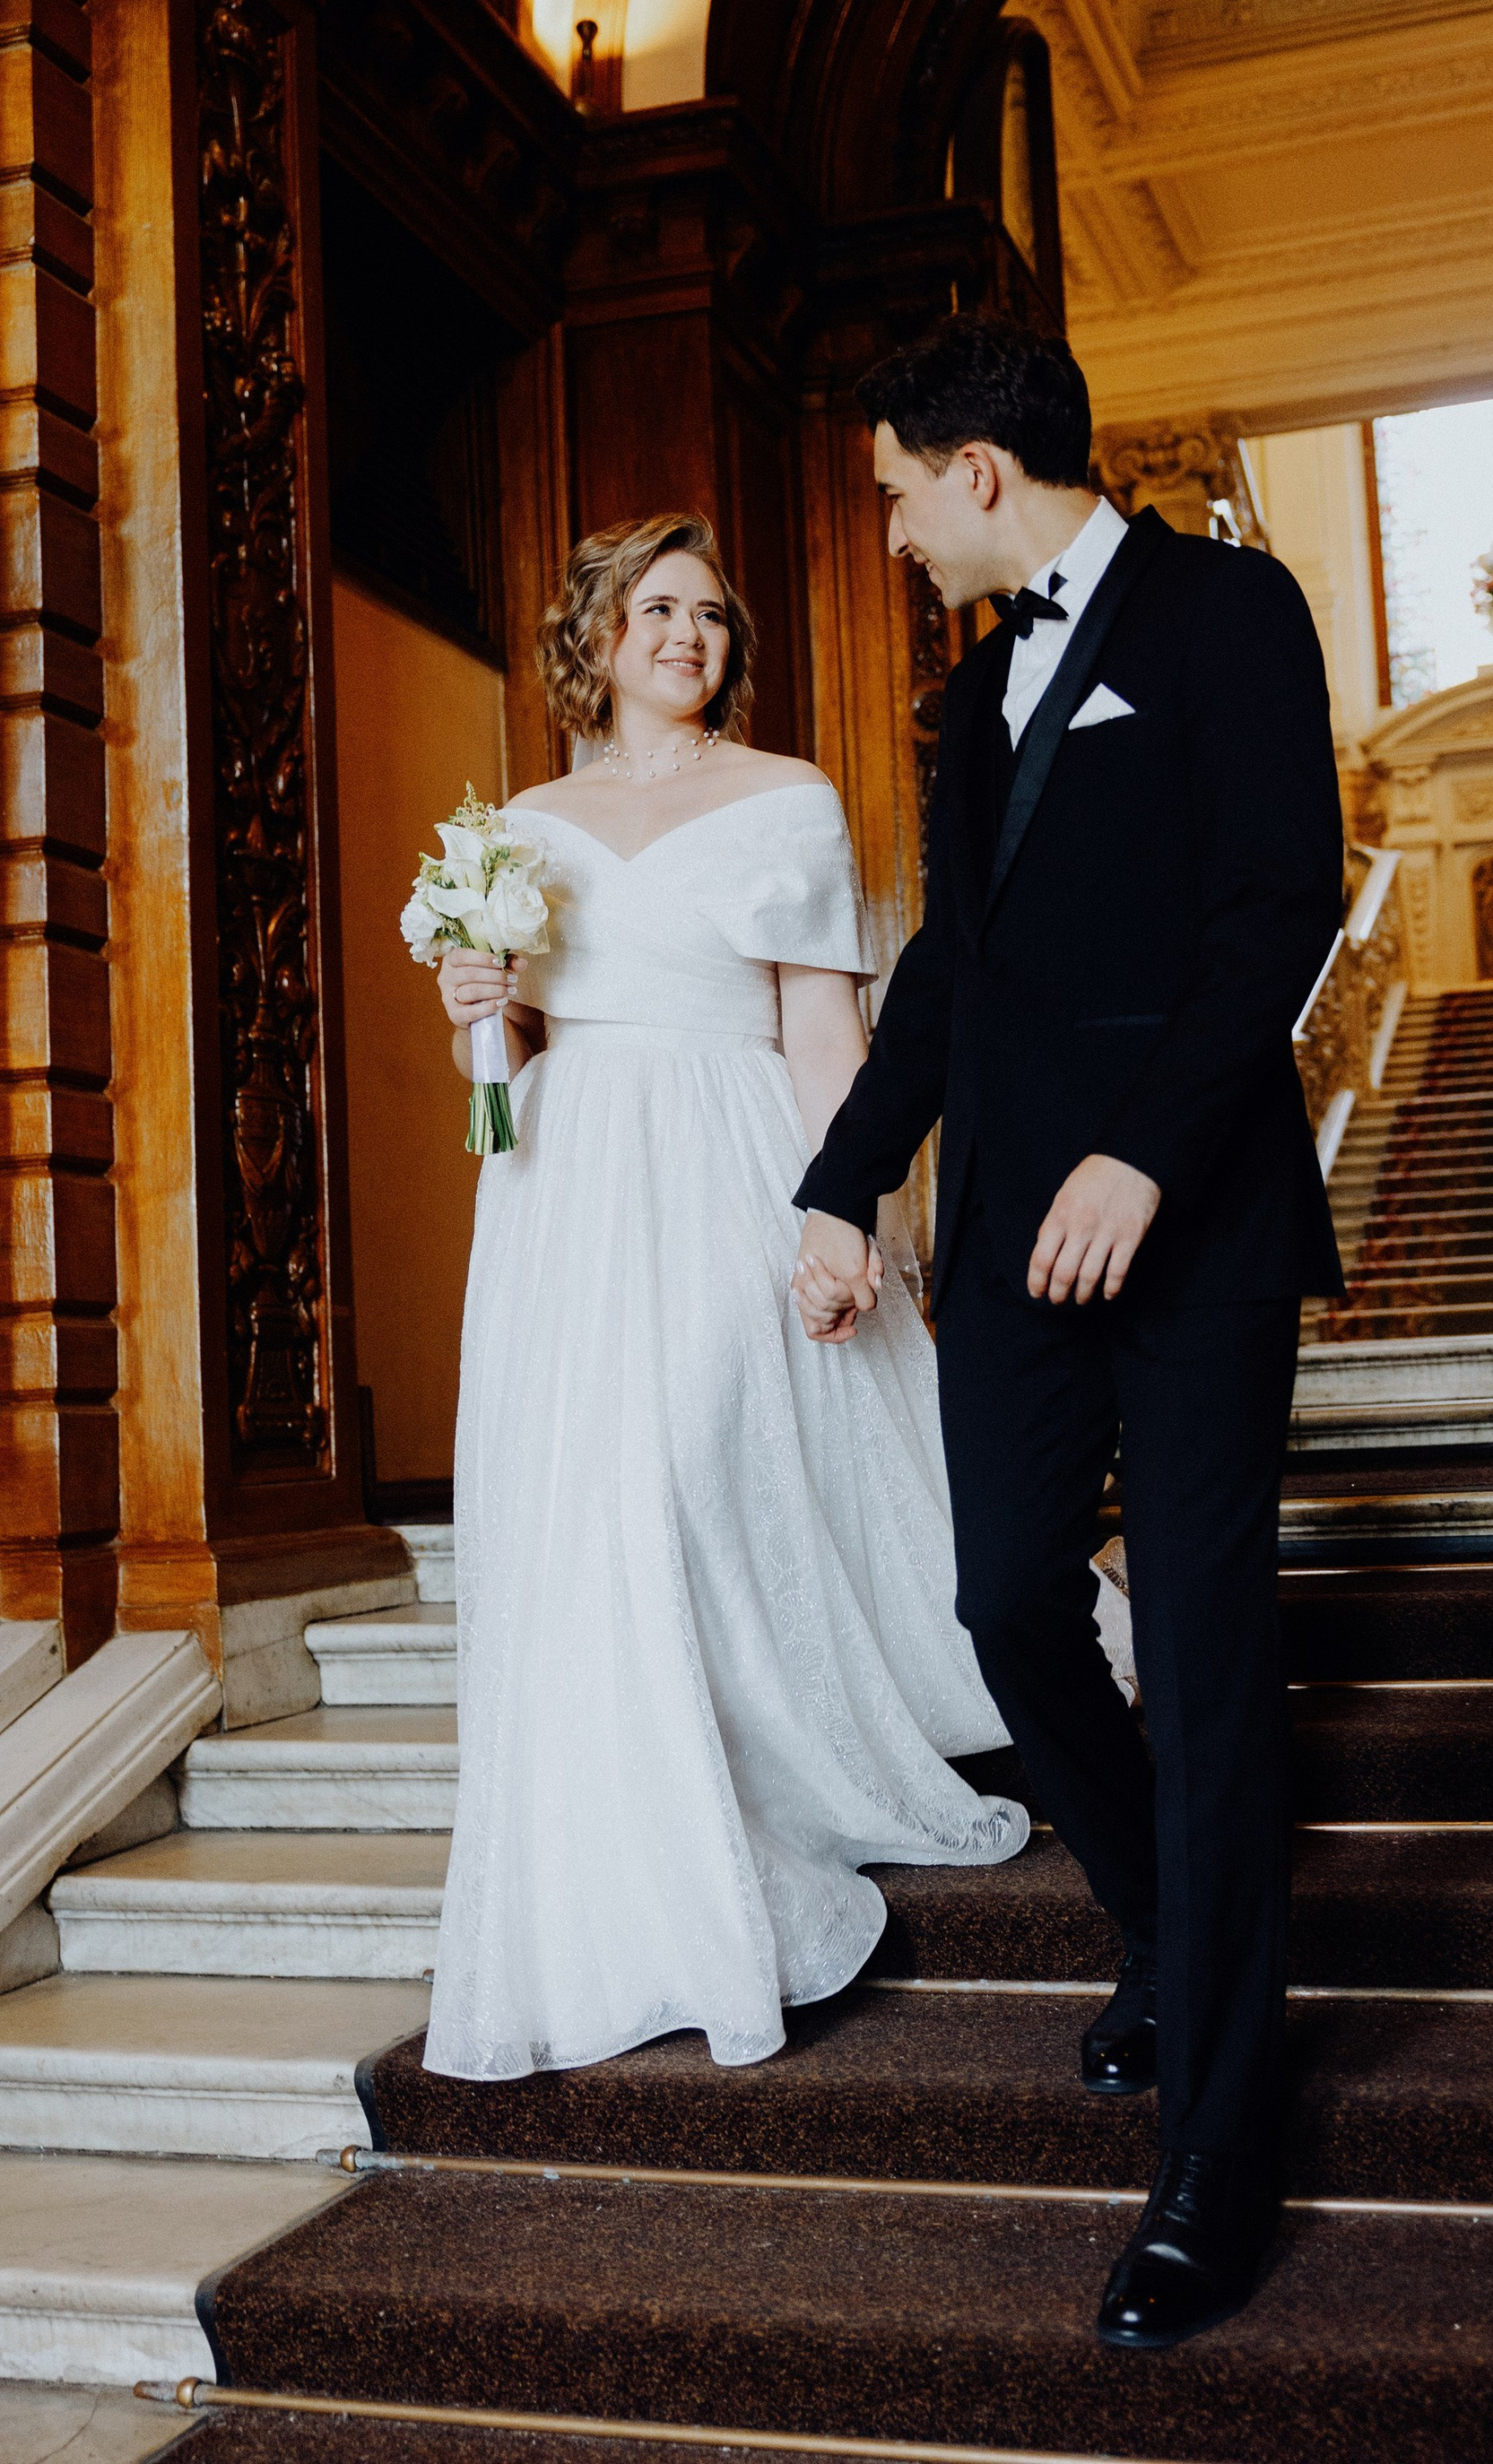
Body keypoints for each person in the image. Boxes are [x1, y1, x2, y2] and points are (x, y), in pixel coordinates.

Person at [792, 315, 1344, 2348]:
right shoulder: (970, 696)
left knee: (1199, 1655)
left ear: (978, 472)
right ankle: (1167, 1925)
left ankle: (1220, 2139)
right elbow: (952, 964)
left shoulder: (1229, 610)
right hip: (1013, 1234)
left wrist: (1147, 1154)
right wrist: (844, 1180)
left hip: (1192, 1226)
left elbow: (1282, 903)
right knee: (1008, 1602)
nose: (891, 534)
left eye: (894, 494)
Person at [422, 511, 1029, 2084]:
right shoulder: (522, 825)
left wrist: (849, 1210)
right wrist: (478, 1007)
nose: (686, 633)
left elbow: (823, 1031)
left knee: (685, 1464)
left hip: (727, 1156)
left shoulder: (787, 797)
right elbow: (508, 1069)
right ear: (598, 636)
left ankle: (768, 1764)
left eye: (707, 613)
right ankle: (641, 1835)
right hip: (565, 1187)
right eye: (656, 608)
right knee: (591, 1504)